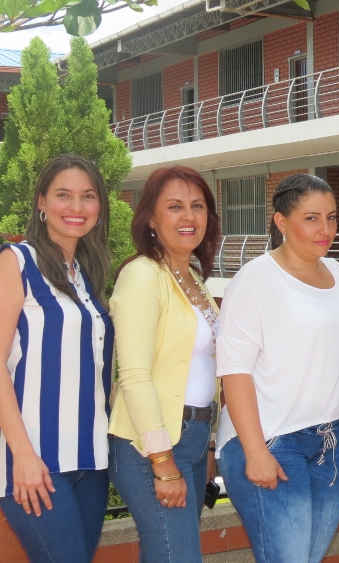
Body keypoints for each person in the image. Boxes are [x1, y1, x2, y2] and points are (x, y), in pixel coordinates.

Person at [215, 174, 339, 562]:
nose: (325, 229)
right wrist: (255, 451)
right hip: (272, 439)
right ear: (281, 221)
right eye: (311, 218)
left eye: (331, 217)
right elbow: (234, 370)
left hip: (331, 439)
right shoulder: (255, 279)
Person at [0, 155, 113, 563]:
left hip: (91, 462)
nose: (76, 207)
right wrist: (23, 456)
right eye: (63, 195)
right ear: (41, 202)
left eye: (88, 196)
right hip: (35, 462)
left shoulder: (86, 274)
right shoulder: (16, 261)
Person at [108, 166, 221, 562]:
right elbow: (134, 376)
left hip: (193, 437)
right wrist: (162, 460)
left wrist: (208, 444)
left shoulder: (192, 277)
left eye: (197, 206)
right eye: (175, 207)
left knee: (167, 554)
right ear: (151, 219)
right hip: (150, 445)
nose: (189, 216)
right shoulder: (142, 275)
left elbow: (204, 370)